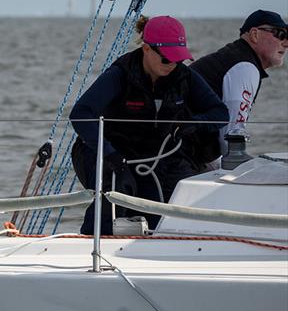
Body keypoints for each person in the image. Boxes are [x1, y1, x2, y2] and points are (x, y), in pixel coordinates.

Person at [70, 15, 229, 235]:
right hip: (107, 151)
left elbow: (220, 113)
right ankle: (91, 245)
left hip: (154, 155)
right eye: (166, 59)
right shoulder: (119, 75)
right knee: (117, 190)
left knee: (164, 204)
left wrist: (192, 124)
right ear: (146, 49)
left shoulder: (185, 77)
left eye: (178, 59)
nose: (172, 64)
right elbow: (80, 114)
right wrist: (108, 152)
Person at [190, 9, 287, 162]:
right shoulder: (245, 67)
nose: (286, 43)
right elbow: (231, 139)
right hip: (185, 155)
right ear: (255, 34)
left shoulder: (234, 56)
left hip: (181, 148)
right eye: (280, 34)